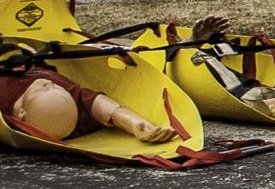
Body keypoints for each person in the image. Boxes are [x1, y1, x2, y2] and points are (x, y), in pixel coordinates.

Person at [0, 66, 180, 144]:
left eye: (47, 87)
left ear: (22, 112)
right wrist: (136, 125)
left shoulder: (5, 98)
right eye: (52, 86)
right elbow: (104, 107)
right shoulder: (72, 108)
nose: (48, 83)